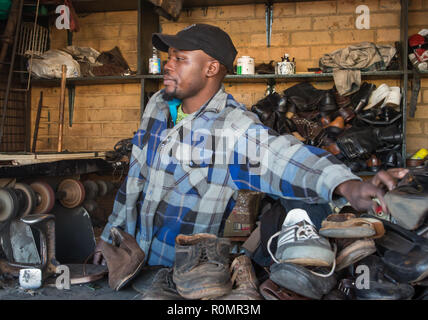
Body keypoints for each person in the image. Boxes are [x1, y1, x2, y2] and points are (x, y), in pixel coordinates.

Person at [93, 23, 408, 267]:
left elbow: (283, 157)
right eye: (169, 57)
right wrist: (109, 239)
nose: (168, 65)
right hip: (130, 262)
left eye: (180, 59)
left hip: (185, 279)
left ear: (211, 69)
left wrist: (347, 186)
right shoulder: (158, 107)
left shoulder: (233, 128)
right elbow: (134, 180)